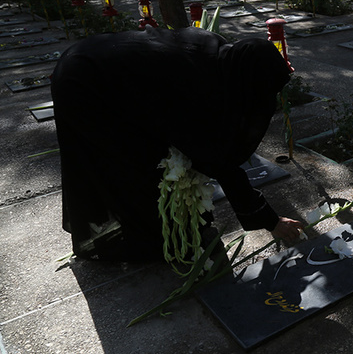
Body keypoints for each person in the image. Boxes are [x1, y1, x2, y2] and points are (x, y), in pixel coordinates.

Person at [51, 26, 304, 262]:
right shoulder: (199, 86)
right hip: (86, 84)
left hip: (97, 63)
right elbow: (219, 160)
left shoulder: (220, 55)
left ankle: (160, 230)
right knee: (133, 164)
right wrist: (271, 220)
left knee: (154, 153)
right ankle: (148, 243)